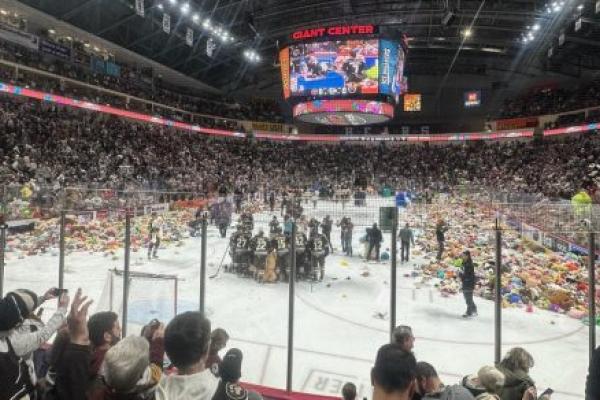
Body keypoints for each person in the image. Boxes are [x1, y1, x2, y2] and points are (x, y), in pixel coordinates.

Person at [0, 289, 69, 400]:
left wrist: (42, 299)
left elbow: (14, 309)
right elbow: (43, 334)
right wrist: (62, 309)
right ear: (16, 322)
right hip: (21, 389)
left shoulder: (4, 325)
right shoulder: (14, 342)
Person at [156, 311, 219, 400]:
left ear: (169, 355)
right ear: (206, 350)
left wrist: (157, 343)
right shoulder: (221, 391)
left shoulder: (156, 390)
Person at [53, 288, 95, 400]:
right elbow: (77, 390)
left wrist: (79, 339)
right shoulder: (78, 357)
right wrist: (80, 341)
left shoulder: (61, 360)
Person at [459, 251, 477, 318]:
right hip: (465, 282)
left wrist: (461, 275)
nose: (462, 256)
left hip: (469, 282)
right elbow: (462, 270)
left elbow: (468, 274)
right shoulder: (464, 263)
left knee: (468, 298)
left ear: (467, 256)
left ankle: (469, 312)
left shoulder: (469, 264)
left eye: (463, 255)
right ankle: (474, 309)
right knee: (467, 297)